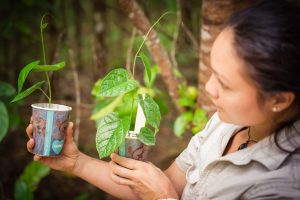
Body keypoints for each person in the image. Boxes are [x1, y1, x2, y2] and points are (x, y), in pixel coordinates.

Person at [26, 0, 300, 199]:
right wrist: (78, 163)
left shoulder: (284, 185)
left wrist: (162, 198)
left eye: (225, 84)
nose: (208, 87)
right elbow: (159, 184)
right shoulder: (225, 123)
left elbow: (162, 191)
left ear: (279, 99)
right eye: (213, 74)